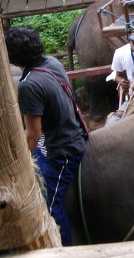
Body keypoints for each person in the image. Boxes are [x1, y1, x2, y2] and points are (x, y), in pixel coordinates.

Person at [5, 26, 87, 246]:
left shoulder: (29, 85)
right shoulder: (52, 62)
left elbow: (33, 135)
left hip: (64, 150)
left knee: (49, 205)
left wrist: (19, 169)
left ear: (12, 57)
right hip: (73, 129)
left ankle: (64, 250)